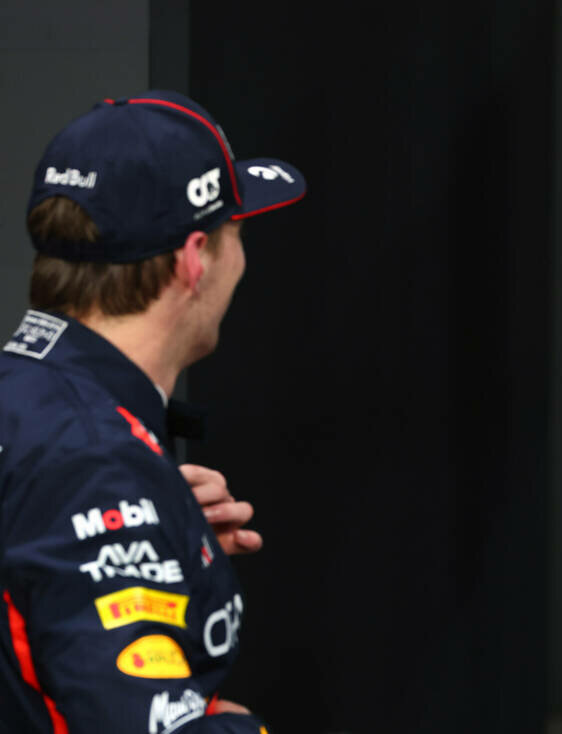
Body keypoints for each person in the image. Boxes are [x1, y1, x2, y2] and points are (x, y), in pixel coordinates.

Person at [0, 91, 305, 732]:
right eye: (236, 235)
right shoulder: (92, 459)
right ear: (195, 260)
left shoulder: (31, 401)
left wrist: (157, 535)